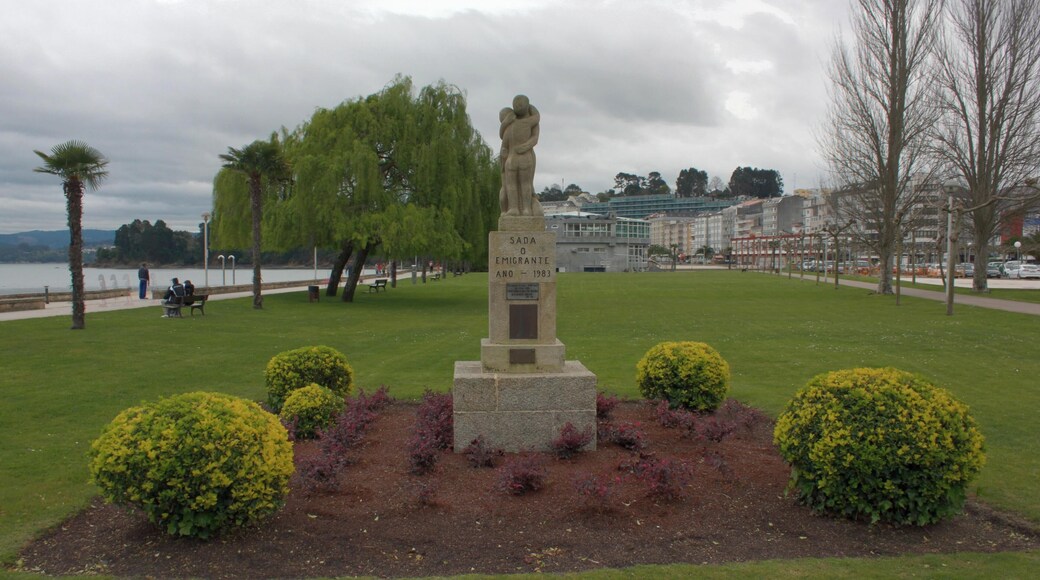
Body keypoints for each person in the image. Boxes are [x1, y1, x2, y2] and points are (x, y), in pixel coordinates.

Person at [499, 94, 543, 217]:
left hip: (515, 157)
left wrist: (525, 146)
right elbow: (537, 118)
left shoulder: (511, 125)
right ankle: (520, 209)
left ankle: (520, 209)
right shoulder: (528, 122)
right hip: (518, 158)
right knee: (518, 184)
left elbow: (503, 141)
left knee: (519, 184)